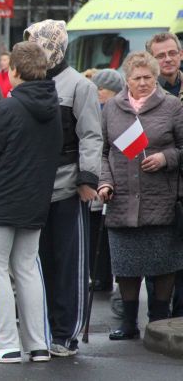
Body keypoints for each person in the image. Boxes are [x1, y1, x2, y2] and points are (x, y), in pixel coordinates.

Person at [0, 41, 62, 363]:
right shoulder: (54, 109)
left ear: (14, 70)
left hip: (0, 200)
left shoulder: (5, 108)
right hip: (35, 199)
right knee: (28, 268)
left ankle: (4, 341)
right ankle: (38, 343)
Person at [24, 19, 103, 357]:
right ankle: (40, 331)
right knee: (35, 263)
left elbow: (90, 135)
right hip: (31, 187)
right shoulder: (28, 82)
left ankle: (65, 334)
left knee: (69, 263)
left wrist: (88, 180)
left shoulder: (78, 86)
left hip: (68, 185)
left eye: (38, 44)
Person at [98, 51, 183, 340]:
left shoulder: (172, 106)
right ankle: (129, 322)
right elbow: (104, 152)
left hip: (161, 201)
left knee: (163, 265)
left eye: (148, 77)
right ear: (127, 80)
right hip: (121, 201)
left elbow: (182, 148)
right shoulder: (111, 108)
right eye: (137, 78)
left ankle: (158, 321)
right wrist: (104, 183)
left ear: (156, 77)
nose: (143, 82)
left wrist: (165, 158)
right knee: (126, 266)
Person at [146, 32, 183, 318]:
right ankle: (156, 316)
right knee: (155, 254)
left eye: (172, 53)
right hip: (154, 188)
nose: (168, 59)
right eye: (160, 55)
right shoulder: (142, 92)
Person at [89, 69, 125, 294]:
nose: (97, 93)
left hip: (113, 182)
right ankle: (100, 276)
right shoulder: (96, 110)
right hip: (98, 182)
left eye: (100, 89)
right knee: (96, 232)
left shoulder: (115, 112)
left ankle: (107, 277)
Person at [146, 32, 182, 100]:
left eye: (172, 53)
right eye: (161, 56)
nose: (168, 59)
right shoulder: (143, 91)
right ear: (150, 60)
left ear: (181, 55)